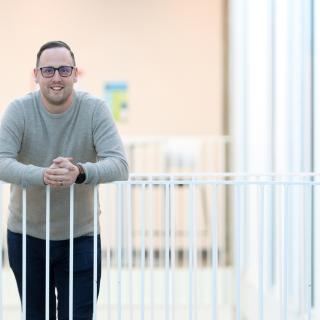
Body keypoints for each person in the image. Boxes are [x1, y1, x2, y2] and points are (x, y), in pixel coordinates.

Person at [0, 41, 129, 319]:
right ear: (35, 74)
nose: (56, 77)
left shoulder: (95, 110)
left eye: (64, 69)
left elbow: (120, 164)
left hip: (81, 236)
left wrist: (80, 172)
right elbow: (1, 160)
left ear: (75, 74)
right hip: (27, 236)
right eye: (48, 70)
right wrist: (41, 175)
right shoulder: (18, 110)